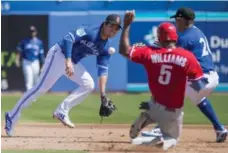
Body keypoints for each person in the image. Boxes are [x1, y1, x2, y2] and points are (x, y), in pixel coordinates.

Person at [5, 14, 121, 136]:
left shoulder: (106, 47)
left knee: (88, 84)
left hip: (72, 63)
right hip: (59, 55)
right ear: (105, 24)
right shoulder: (90, 31)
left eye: (117, 28)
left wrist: (103, 95)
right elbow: (68, 38)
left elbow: (103, 70)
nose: (114, 30)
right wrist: (68, 60)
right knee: (40, 89)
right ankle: (11, 116)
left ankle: (62, 110)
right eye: (112, 26)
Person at [119, 10, 207, 150]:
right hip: (172, 111)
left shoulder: (149, 53)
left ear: (159, 39)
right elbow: (199, 86)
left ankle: (147, 117)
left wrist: (127, 25)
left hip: (154, 104)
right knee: (173, 139)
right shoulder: (188, 57)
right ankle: (159, 142)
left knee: (154, 106)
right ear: (175, 38)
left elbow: (124, 50)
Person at [141, 7, 227, 143]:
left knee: (170, 90)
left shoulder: (186, 38)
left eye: (176, 19)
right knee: (198, 99)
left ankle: (161, 128)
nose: (175, 22)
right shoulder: (195, 32)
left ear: (182, 20)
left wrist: (150, 49)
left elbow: (168, 55)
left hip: (201, 77)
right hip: (210, 78)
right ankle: (220, 129)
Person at [16, 25, 45, 91]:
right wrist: (17, 60)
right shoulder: (24, 41)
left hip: (35, 62)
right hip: (26, 61)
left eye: (33, 31)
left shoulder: (39, 42)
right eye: (31, 31)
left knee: (36, 79)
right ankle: (29, 97)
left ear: (36, 32)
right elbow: (19, 51)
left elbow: (41, 54)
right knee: (29, 79)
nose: (32, 33)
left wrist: (43, 64)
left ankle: (34, 95)